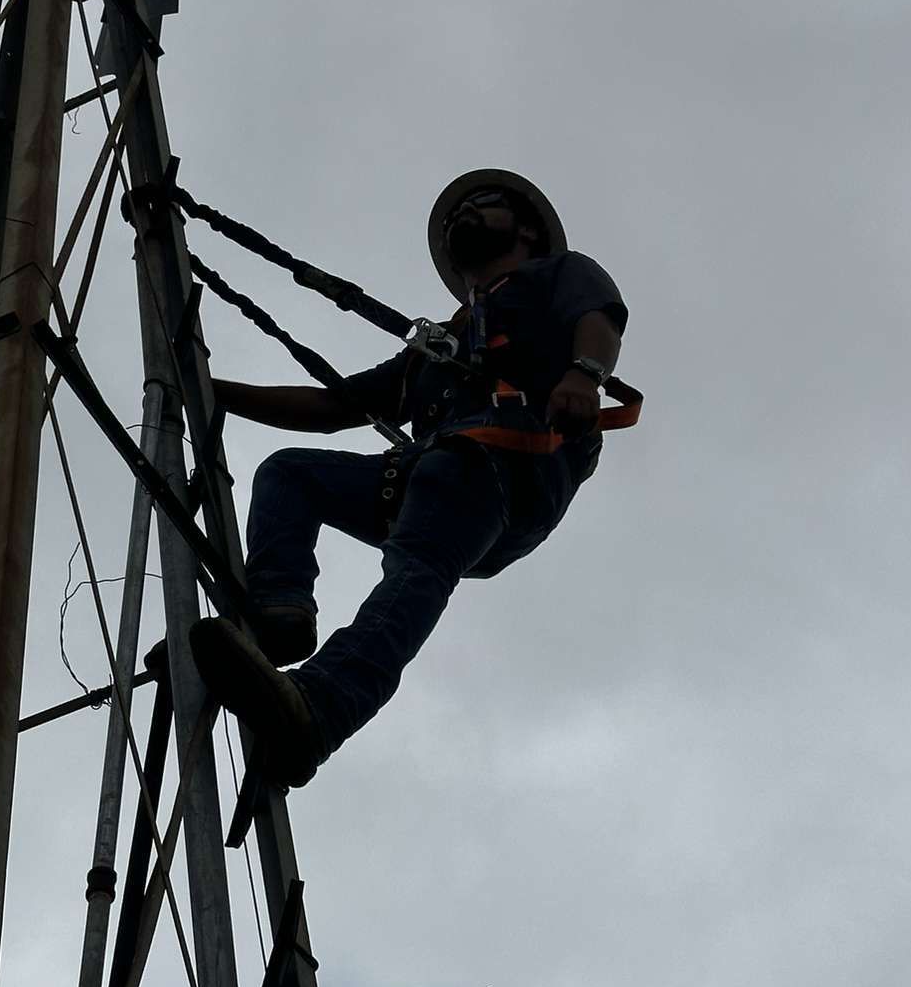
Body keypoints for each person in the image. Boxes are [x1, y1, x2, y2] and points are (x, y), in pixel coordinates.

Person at [191, 169, 629, 787]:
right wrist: (209, 389)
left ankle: (324, 706)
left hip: (504, 465)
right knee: (291, 475)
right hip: (436, 468)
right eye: (454, 216)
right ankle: (279, 613)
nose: (461, 217)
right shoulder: (440, 345)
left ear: (528, 230)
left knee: (421, 560)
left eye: (482, 203)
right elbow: (334, 406)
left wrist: (583, 375)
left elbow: (598, 319)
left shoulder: (558, 275)